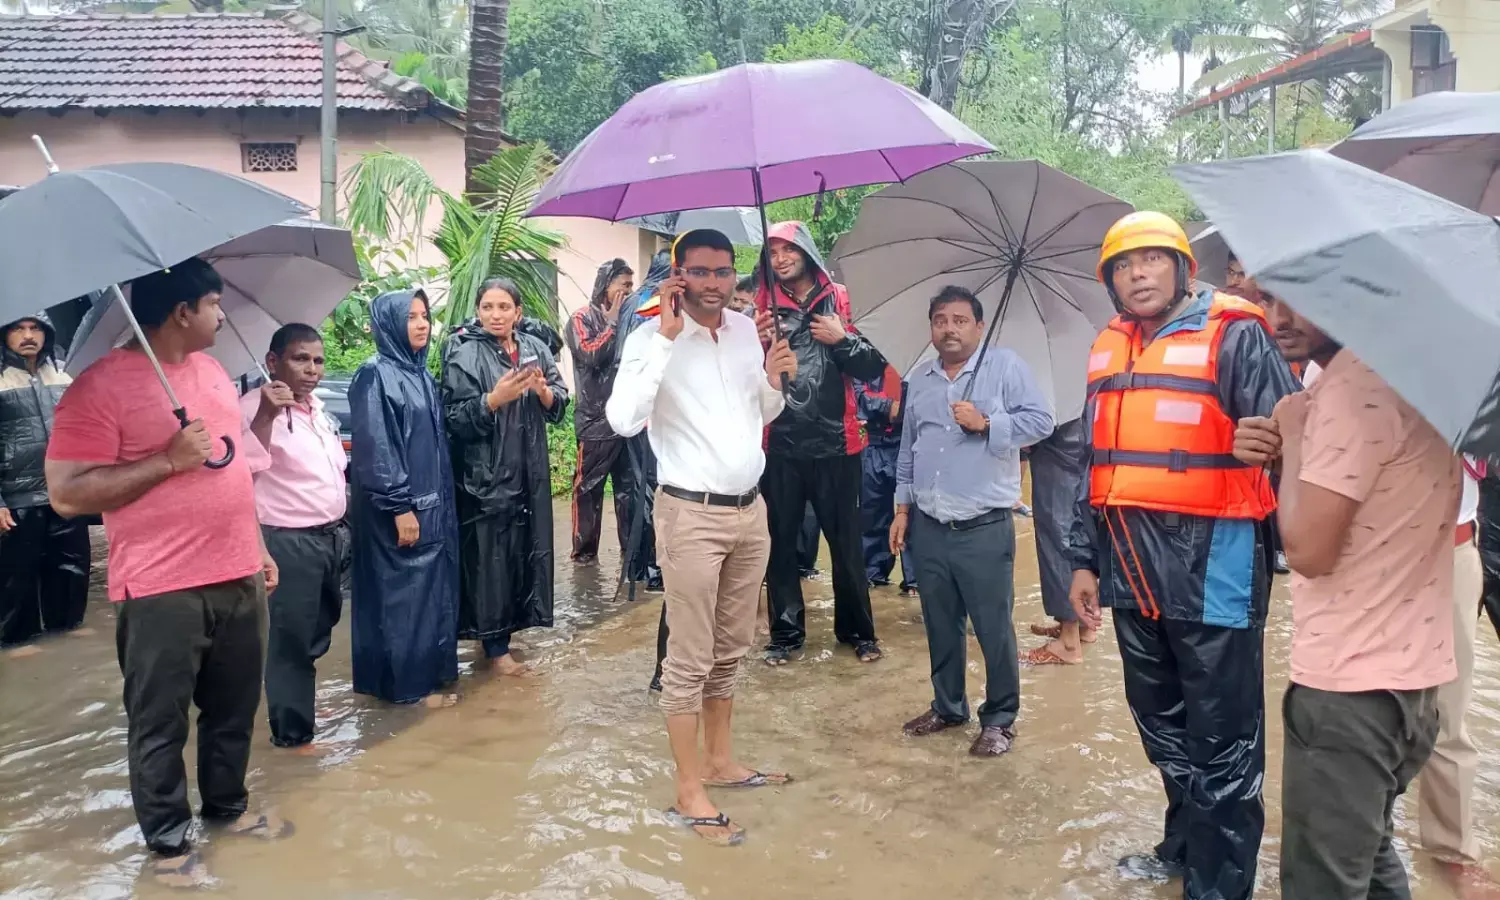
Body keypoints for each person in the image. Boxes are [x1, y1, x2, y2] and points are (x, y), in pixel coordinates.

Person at [1067, 212, 1297, 899]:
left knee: (1223, 740)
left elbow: (1294, 437)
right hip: (1130, 567)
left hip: (1214, 563)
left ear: (1180, 268)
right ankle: (1182, 847)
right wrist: (1082, 558)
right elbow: (1092, 461)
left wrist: (1273, 449)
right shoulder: (1107, 348)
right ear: (1110, 281)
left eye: (1152, 260)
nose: (1139, 274)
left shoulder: (1237, 333)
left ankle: (1220, 885)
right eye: (1124, 265)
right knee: (1161, 723)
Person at [45, 258, 288, 888]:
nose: (221, 314)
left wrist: (257, 545)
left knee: (235, 708)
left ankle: (227, 809)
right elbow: (68, 495)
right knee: (160, 721)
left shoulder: (210, 371)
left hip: (237, 571)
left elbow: (232, 472)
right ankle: (169, 843)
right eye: (213, 304)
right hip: (159, 586)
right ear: (183, 312)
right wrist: (166, 462)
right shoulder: (96, 389)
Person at [1232, 297, 1458, 900]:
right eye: (1271, 296)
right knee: (1373, 857)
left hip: (1348, 694)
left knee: (1322, 884)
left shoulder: (1351, 390)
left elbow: (1307, 551)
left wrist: (1300, 432)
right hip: (1413, 685)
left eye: (1302, 299)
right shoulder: (1418, 377)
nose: (1279, 317)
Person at [606, 228, 799, 846]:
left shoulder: (747, 331)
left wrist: (774, 378)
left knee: (731, 646)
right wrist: (664, 341)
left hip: (750, 510)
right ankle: (689, 789)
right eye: (700, 272)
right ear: (677, 275)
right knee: (687, 657)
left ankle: (720, 761)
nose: (713, 284)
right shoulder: (648, 337)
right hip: (690, 514)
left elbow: (761, 413)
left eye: (723, 272)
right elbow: (622, 419)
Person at [890, 286, 1053, 756]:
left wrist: (988, 424)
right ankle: (947, 706)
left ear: (979, 327)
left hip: (983, 526)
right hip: (929, 525)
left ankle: (1000, 719)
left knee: (993, 628)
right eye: (941, 320)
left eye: (960, 320)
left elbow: (1041, 421)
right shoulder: (920, 380)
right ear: (932, 329)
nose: (950, 329)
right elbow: (908, 450)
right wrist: (902, 510)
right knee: (940, 624)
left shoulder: (1004, 367)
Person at [756, 220, 887, 665]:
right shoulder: (760, 306)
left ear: (806, 251)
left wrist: (842, 339)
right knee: (780, 544)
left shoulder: (843, 299)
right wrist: (756, 347)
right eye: (771, 252)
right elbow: (745, 376)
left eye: (787, 248)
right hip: (780, 442)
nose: (780, 259)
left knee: (847, 544)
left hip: (839, 442)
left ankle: (857, 631)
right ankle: (786, 636)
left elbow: (874, 366)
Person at [443, 279, 570, 675]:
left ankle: (505, 636)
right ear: (478, 311)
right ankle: (495, 648)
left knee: (523, 553)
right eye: (487, 307)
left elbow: (560, 402)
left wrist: (544, 392)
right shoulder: (464, 353)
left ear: (518, 312)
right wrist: (493, 400)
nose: (495, 315)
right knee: (489, 560)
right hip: (485, 475)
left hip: (529, 469)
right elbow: (452, 418)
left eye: (503, 307)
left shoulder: (535, 349)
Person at [348, 290, 460, 707]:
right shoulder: (373, 375)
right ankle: (409, 692)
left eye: (425, 315)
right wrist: (400, 507)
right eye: (410, 316)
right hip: (399, 512)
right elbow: (377, 449)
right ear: (389, 324)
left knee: (430, 595)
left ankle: (429, 679)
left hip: (431, 506)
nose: (421, 324)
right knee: (402, 600)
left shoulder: (421, 374)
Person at [239, 323, 349, 751]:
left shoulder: (315, 407)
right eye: (300, 359)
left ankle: (296, 703)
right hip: (286, 540)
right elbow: (243, 471)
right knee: (289, 642)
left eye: (318, 360)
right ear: (273, 362)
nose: (312, 370)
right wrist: (266, 414)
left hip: (328, 537)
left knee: (317, 629)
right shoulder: (250, 407)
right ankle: (293, 738)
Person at [565, 259, 659, 590]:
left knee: (629, 490)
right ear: (606, 286)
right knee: (587, 490)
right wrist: (613, 323)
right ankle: (584, 556)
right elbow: (591, 354)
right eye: (623, 285)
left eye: (631, 287)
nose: (627, 292)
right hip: (594, 421)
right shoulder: (581, 318)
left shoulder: (632, 317)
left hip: (626, 420)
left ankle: (630, 554)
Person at [0, 311, 90, 652]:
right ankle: (17, 639)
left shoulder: (65, 374)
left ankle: (67, 626)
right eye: (18, 328)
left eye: (35, 327)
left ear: (47, 333)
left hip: (66, 491)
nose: (27, 335)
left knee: (71, 566)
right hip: (17, 495)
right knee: (15, 575)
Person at [1023, 417, 1094, 664]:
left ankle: (1068, 640)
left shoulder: (1050, 383)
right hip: (1082, 445)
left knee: (1057, 536)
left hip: (1057, 451)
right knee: (1080, 531)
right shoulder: (1085, 380)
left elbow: (1038, 421)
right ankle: (1085, 626)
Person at [856, 364, 915, 591]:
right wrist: (888, 406)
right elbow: (856, 394)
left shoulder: (922, 365)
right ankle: (874, 573)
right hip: (873, 440)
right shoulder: (866, 354)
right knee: (872, 513)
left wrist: (903, 409)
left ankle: (914, 580)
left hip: (908, 443)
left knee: (912, 512)